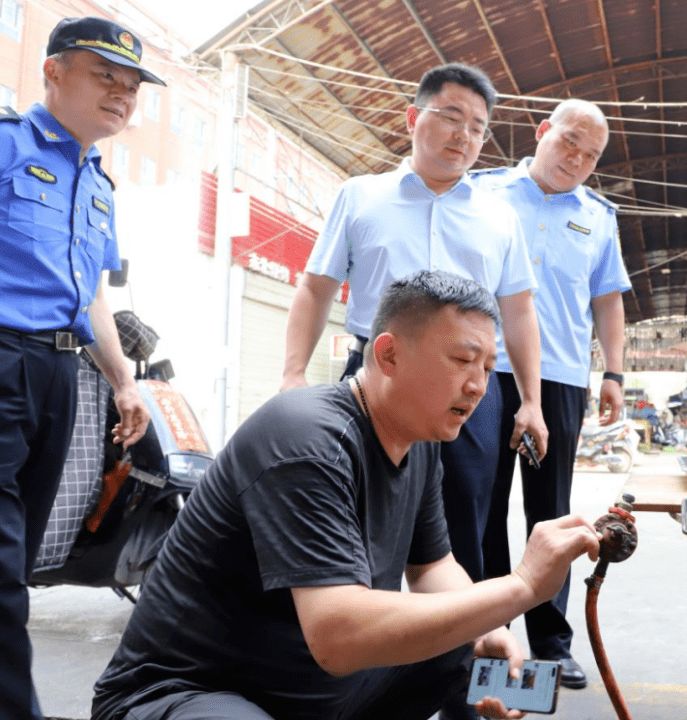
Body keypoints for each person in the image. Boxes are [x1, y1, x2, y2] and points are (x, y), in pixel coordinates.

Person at [92, 271, 602, 720]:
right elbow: (338, 637)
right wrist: (522, 587)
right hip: (188, 694)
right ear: (388, 353)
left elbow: (430, 569)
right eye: (463, 361)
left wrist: (489, 626)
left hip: (310, 693)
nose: (478, 387)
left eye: (489, 368)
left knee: (463, 637)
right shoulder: (306, 439)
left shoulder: (420, 442)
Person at [0, 17, 158, 720]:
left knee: (23, 558)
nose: (122, 96)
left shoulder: (99, 184)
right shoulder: (6, 148)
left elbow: (93, 296)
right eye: (105, 77)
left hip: (63, 379)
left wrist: (125, 380)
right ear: (54, 72)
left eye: (131, 87)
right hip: (3, 359)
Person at [446, 99, 630, 700]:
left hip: (561, 377)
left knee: (550, 510)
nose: (575, 159)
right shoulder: (483, 191)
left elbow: (607, 300)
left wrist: (614, 374)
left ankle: (550, 642)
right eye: (568, 142)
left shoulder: (599, 217)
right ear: (542, 131)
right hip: (487, 368)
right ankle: (483, 632)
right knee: (480, 503)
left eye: (591, 154)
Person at [280, 62, 547, 459]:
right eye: (451, 117)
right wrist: (293, 374)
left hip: (468, 384)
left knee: (462, 510)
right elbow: (317, 290)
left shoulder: (500, 217)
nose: (464, 135)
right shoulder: (360, 197)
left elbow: (520, 313)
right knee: (364, 503)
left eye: (477, 128)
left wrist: (531, 401)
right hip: (377, 374)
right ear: (412, 118)